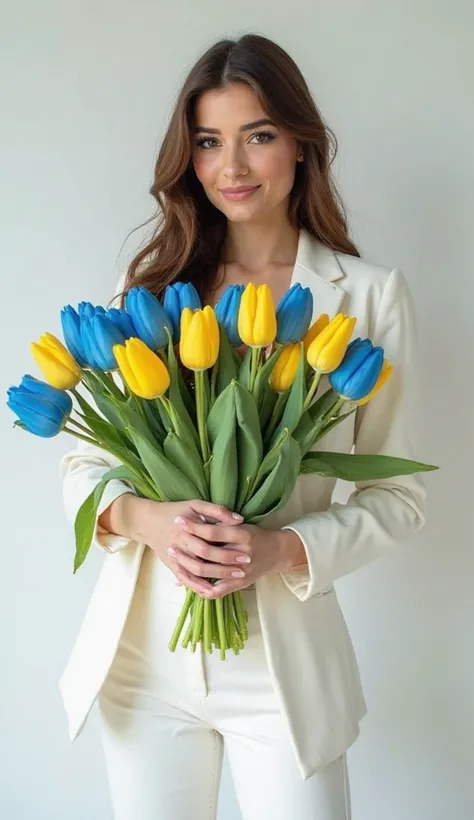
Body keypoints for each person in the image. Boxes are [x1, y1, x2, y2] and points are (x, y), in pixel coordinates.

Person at [59, 33, 427, 820]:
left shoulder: (367, 296)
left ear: (301, 144)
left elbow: (399, 499)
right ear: (187, 157)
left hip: (285, 667)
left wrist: (281, 548)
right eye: (207, 142)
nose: (232, 167)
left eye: (257, 136)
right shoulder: (149, 288)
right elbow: (82, 468)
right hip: (145, 659)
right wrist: (150, 519)